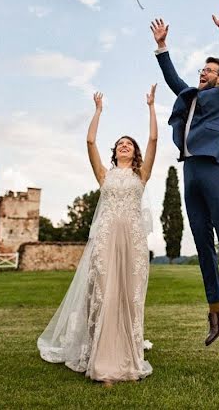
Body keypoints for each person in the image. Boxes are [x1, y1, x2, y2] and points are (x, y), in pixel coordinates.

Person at [37, 86, 158, 383]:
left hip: (133, 242)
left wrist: (152, 108)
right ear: (114, 152)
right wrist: (98, 111)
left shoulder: (141, 175)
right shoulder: (104, 174)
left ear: (135, 151)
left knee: (129, 297)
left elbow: (154, 138)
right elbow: (90, 140)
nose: (124, 146)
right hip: (105, 239)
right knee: (104, 295)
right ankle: (102, 362)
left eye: (128, 143)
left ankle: (129, 356)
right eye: (119, 144)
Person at [150, 7, 219, 345]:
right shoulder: (189, 97)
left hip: (213, 166)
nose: (202, 73)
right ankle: (215, 309)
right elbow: (173, 79)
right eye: (201, 69)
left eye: (208, 69)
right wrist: (162, 47)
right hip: (189, 170)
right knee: (203, 243)